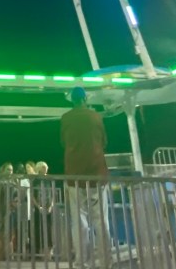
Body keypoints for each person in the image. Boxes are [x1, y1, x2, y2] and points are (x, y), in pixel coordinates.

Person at [60, 88, 111, 266]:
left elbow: (63, 142)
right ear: (85, 99)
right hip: (97, 173)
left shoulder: (66, 118)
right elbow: (104, 141)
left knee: (79, 221)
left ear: (72, 100)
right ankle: (106, 262)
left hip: (74, 175)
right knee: (101, 221)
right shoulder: (95, 116)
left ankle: (81, 263)